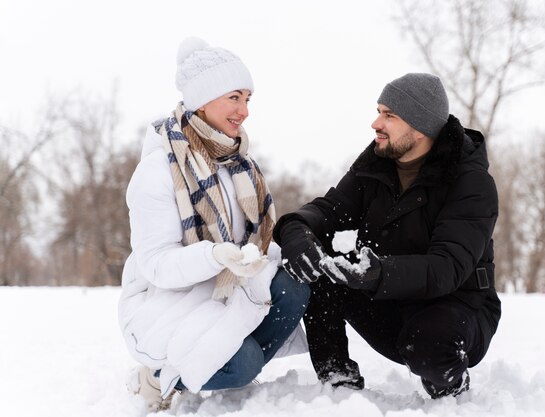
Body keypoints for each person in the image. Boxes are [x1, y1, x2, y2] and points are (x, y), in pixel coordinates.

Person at [273, 73, 500, 399]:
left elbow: (446, 268)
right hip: (388, 297)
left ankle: (451, 388)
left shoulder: (471, 183)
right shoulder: (376, 164)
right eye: (379, 111)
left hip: (456, 308)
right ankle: (338, 379)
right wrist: (296, 233)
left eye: (389, 115)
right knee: (319, 267)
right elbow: (327, 211)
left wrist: (378, 273)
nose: (375, 123)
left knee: (429, 345)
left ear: (420, 128)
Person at [118, 37, 310, 411]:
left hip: (226, 291)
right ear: (202, 100)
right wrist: (215, 256)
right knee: (243, 363)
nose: (245, 111)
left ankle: (217, 359)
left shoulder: (242, 165)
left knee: (297, 285)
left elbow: (258, 239)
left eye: (247, 99)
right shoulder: (158, 172)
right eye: (234, 98)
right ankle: (159, 376)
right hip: (168, 301)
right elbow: (155, 264)